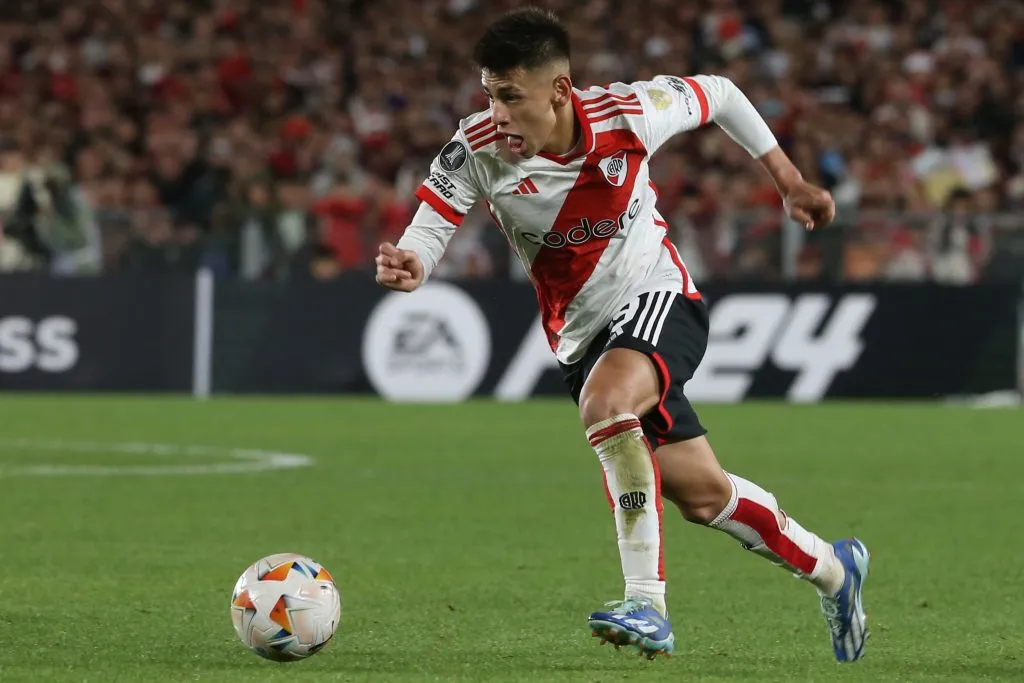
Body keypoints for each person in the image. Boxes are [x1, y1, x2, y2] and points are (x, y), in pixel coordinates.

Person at [374, 7, 869, 663]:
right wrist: (413, 259)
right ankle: (834, 570)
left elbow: (719, 93)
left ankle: (648, 603)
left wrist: (789, 179)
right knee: (704, 496)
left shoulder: (629, 114)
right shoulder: (477, 149)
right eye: (490, 94)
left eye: (511, 96)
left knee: (606, 407)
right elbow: (433, 223)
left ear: (559, 91)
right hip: (584, 340)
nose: (496, 111)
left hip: (659, 299)